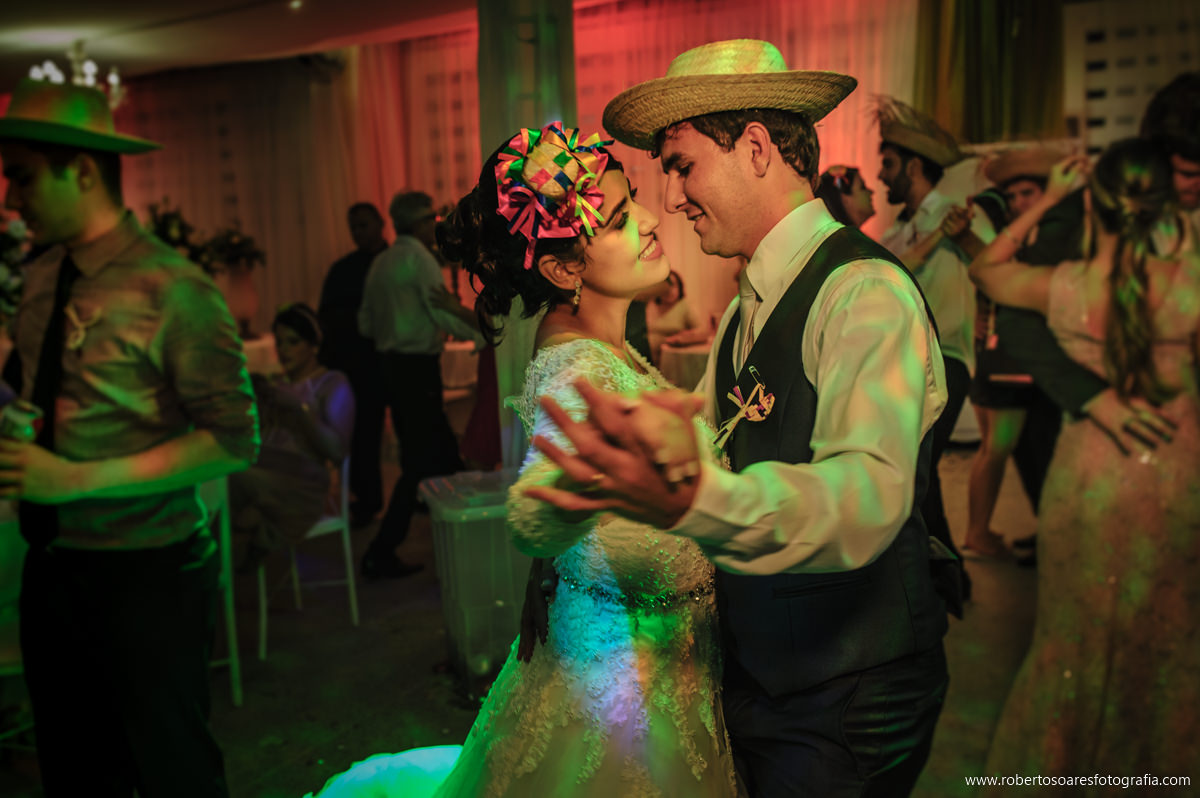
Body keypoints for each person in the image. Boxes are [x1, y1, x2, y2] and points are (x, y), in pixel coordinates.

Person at [529, 40, 951, 797]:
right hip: (761, 678)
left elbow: (866, 497)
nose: (671, 200)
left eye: (682, 165)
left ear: (756, 147)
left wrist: (697, 502)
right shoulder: (745, 308)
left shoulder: (864, 294)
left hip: (846, 693)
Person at [311, 122, 741, 797]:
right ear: (564, 268)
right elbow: (546, 507)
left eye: (634, 202)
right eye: (622, 217)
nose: (652, 219)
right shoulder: (575, 371)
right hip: (622, 701)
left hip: (640, 675)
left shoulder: (603, 347)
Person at [0, 78, 258, 797]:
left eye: (20, 176)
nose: (9, 198)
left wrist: (76, 477)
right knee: (76, 769)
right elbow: (52, 389)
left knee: (172, 768)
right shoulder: (43, 277)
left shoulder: (173, 288)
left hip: (150, 572)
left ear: (80, 170)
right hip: (53, 565)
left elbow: (237, 440)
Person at [969, 140, 1198, 785]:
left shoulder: (1063, 287)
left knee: (1075, 643)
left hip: (1090, 476)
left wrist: (1053, 198)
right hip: (1179, 472)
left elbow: (987, 268)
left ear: (1093, 203)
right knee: (1169, 644)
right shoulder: (1187, 285)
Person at [876, 96, 995, 570]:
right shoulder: (899, 231)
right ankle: (948, 575)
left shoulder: (958, 213)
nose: (882, 175)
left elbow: (994, 267)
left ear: (913, 165)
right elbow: (890, 273)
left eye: (887, 164)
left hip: (947, 358)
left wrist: (961, 235)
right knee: (920, 469)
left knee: (917, 467)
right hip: (907, 363)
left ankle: (941, 571)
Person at [357, 191, 480, 578]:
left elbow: (365, 323)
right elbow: (440, 311)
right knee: (421, 460)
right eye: (431, 219)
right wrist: (484, 337)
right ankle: (382, 549)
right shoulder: (420, 260)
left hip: (390, 367)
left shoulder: (380, 263)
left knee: (440, 454)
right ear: (417, 223)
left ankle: (464, 545)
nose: (436, 225)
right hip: (417, 370)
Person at [961, 146, 1061, 558]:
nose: (1020, 202)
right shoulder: (1015, 235)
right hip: (1007, 364)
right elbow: (984, 271)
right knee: (1000, 447)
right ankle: (978, 534)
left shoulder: (1060, 233)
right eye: (1014, 195)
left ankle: (1044, 533)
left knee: (1033, 451)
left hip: (1032, 364)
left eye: (1028, 193)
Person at [231, 303, 354, 571]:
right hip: (266, 471)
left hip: (302, 483)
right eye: (280, 343)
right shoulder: (278, 386)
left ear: (314, 346)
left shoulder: (332, 383)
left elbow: (337, 451)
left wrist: (300, 410)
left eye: (293, 342)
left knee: (234, 483)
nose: (284, 350)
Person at [318, 203, 387, 527]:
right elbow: (327, 318)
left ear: (380, 224)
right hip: (359, 363)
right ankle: (366, 498)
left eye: (363, 225)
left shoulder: (392, 263)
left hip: (388, 359)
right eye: (354, 227)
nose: (358, 232)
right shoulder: (343, 269)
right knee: (363, 433)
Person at [643, 269, 710, 364]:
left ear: (680, 287)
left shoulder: (684, 305)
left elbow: (702, 331)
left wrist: (684, 336)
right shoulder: (650, 304)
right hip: (648, 359)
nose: (669, 290)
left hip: (674, 361)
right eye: (665, 286)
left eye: (673, 285)